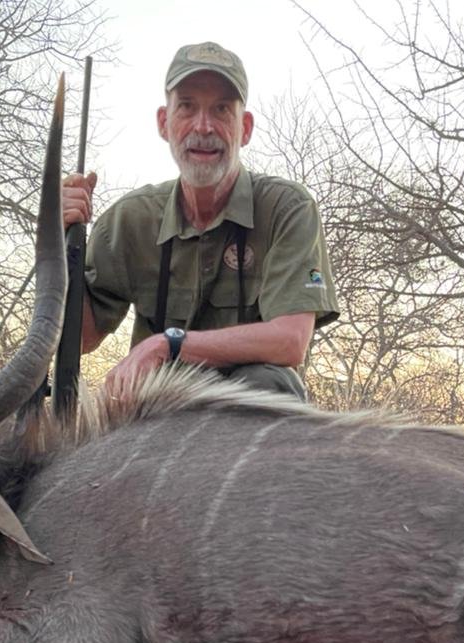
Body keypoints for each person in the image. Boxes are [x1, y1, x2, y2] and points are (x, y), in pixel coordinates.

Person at [60, 42, 338, 399]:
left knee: (271, 383)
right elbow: (79, 339)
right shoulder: (128, 219)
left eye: (221, 109)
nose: (203, 126)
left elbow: (290, 341)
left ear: (246, 127)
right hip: (153, 412)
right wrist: (55, 238)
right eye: (187, 107)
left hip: (245, 415)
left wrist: (169, 346)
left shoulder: (287, 208)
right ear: (164, 122)